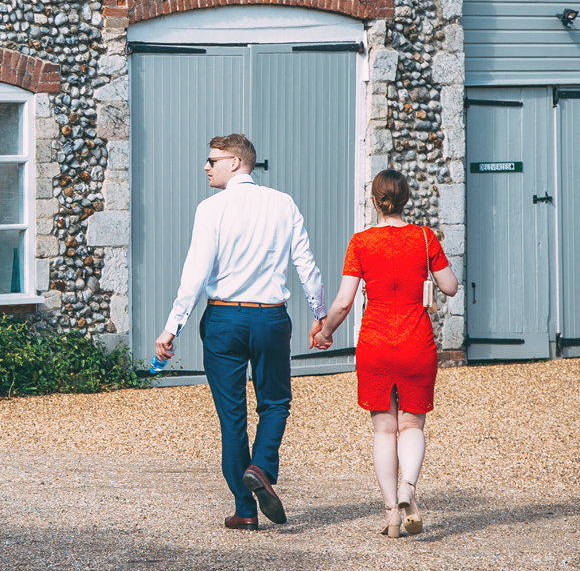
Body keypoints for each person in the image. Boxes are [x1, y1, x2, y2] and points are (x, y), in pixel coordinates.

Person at [153, 134, 324, 532]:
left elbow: (195, 273)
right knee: (275, 402)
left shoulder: (211, 209)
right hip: (269, 318)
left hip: (224, 320)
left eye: (212, 160)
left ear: (234, 162)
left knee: (232, 418)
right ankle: (261, 466)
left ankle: (245, 509)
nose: (206, 167)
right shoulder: (283, 204)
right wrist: (321, 316)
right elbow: (306, 265)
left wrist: (171, 327)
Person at [310, 169, 459, 539]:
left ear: (374, 201)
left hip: (375, 344)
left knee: (383, 429)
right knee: (411, 425)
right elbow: (451, 287)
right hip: (416, 343)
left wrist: (324, 332)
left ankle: (393, 512)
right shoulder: (425, 239)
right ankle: (409, 486)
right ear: (406, 198)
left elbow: (344, 303)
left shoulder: (361, 242)